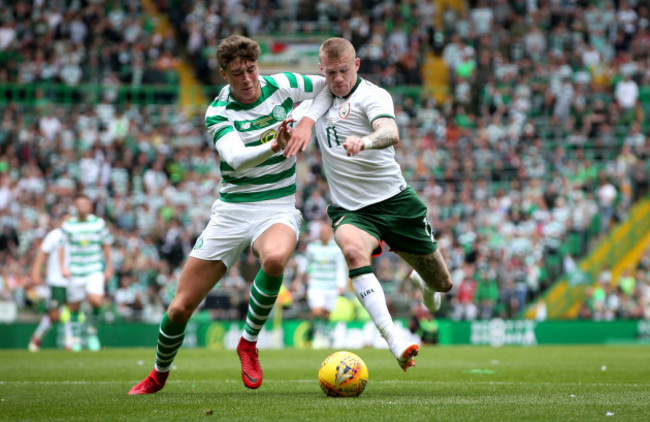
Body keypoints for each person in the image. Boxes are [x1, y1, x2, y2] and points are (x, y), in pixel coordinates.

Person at [129, 34, 330, 395]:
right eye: (237, 73)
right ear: (224, 74)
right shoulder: (218, 112)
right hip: (232, 211)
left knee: (275, 258)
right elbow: (235, 158)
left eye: (251, 69)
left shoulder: (284, 84)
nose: (248, 79)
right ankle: (158, 374)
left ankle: (248, 343)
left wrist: (306, 121)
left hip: (276, 206)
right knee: (179, 308)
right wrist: (274, 143)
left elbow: (331, 86)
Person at [285, 37, 453, 371]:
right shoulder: (316, 101)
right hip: (352, 210)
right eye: (331, 73)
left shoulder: (373, 95)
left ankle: (424, 283)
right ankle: (394, 339)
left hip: (394, 202)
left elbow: (390, 131)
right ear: (322, 70)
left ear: (357, 65)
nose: (338, 79)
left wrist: (365, 141)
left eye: (344, 71)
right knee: (351, 252)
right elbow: (292, 124)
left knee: (442, 285)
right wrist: (285, 131)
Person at [60, 194, 113, 352]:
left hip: (94, 268)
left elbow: (107, 245)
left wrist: (109, 268)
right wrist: (63, 267)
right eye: (79, 204)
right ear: (75, 206)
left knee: (96, 301)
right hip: (75, 269)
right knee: (74, 307)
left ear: (90, 206)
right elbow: (62, 247)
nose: (82, 207)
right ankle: (75, 339)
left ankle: (91, 331)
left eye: (85, 204)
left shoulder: (98, 223)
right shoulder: (68, 225)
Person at [295, 223, 347, 347]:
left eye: (326, 232)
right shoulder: (312, 247)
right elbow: (305, 264)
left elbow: (340, 268)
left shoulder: (336, 248)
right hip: (316, 284)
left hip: (331, 285)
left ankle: (325, 335)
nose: (324, 234)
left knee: (327, 313)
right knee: (317, 311)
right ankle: (317, 332)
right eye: (322, 232)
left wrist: (341, 283)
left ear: (330, 234)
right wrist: (298, 280)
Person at [28, 214, 70, 351]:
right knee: (55, 314)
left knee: (69, 311)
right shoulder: (55, 235)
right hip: (56, 279)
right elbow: (42, 253)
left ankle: (69, 343)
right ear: (61, 221)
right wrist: (35, 272)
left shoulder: (76, 236)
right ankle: (37, 337)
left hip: (72, 280)